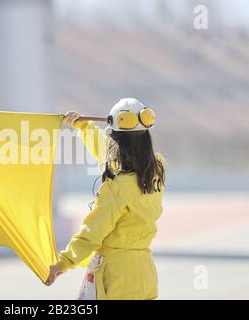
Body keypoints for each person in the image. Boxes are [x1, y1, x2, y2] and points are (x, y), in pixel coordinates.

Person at [45, 98, 165, 300]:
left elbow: (93, 232)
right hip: (145, 271)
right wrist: (84, 127)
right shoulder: (156, 170)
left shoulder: (118, 187)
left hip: (119, 274)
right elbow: (110, 153)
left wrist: (63, 263)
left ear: (116, 140)